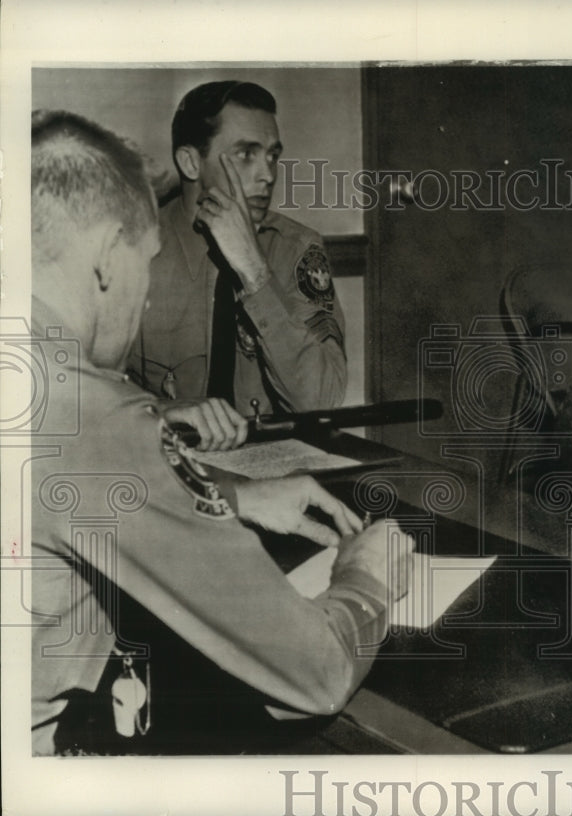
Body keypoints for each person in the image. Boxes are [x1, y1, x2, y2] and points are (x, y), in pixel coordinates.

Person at [30, 110, 412, 755]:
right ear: (107, 255)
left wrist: (230, 497)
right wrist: (365, 578)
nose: (143, 297)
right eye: (144, 262)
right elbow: (315, 675)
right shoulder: (94, 413)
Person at [127, 80, 347, 417]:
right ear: (190, 163)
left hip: (275, 450)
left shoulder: (296, 249)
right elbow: (85, 390)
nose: (267, 175)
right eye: (246, 155)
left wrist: (255, 271)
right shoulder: (133, 250)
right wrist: (162, 411)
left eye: (272, 156)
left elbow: (321, 401)